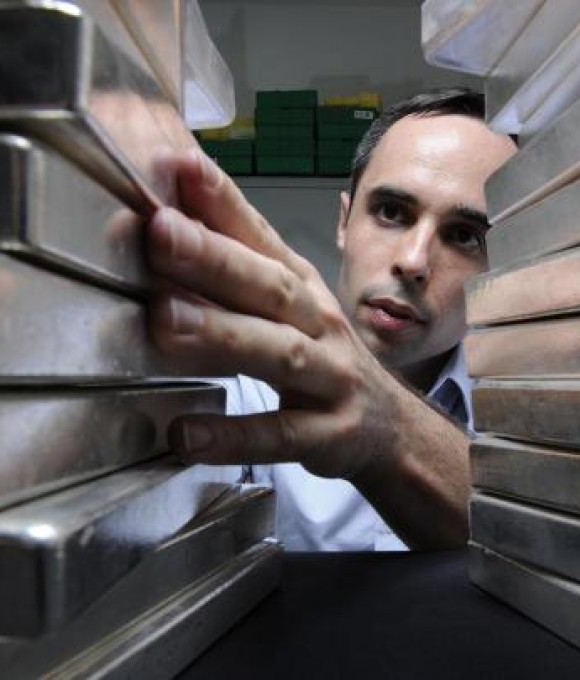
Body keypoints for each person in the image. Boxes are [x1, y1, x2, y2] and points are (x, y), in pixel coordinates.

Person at [146, 88, 518, 550]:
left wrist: (386, 425)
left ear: (503, 266)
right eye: (391, 212)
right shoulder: (246, 384)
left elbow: (549, 559)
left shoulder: (534, 410)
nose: (413, 261)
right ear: (344, 222)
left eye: (464, 236)